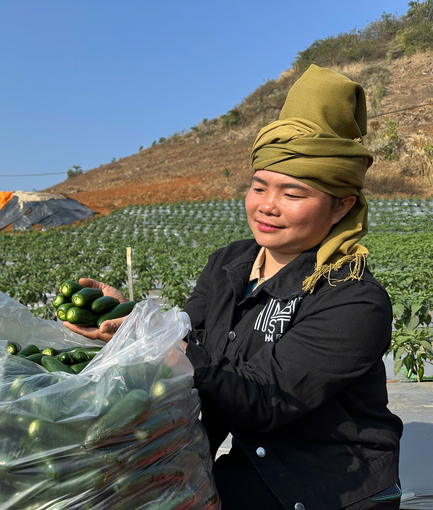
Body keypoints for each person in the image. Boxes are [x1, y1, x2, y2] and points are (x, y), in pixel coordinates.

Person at [63, 65, 403, 510]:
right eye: (259, 186)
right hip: (248, 463)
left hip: (327, 487)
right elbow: (189, 332)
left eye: (293, 195)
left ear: (341, 207)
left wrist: (166, 343)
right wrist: (135, 319)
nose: (267, 206)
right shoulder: (230, 263)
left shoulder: (353, 298)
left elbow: (266, 399)